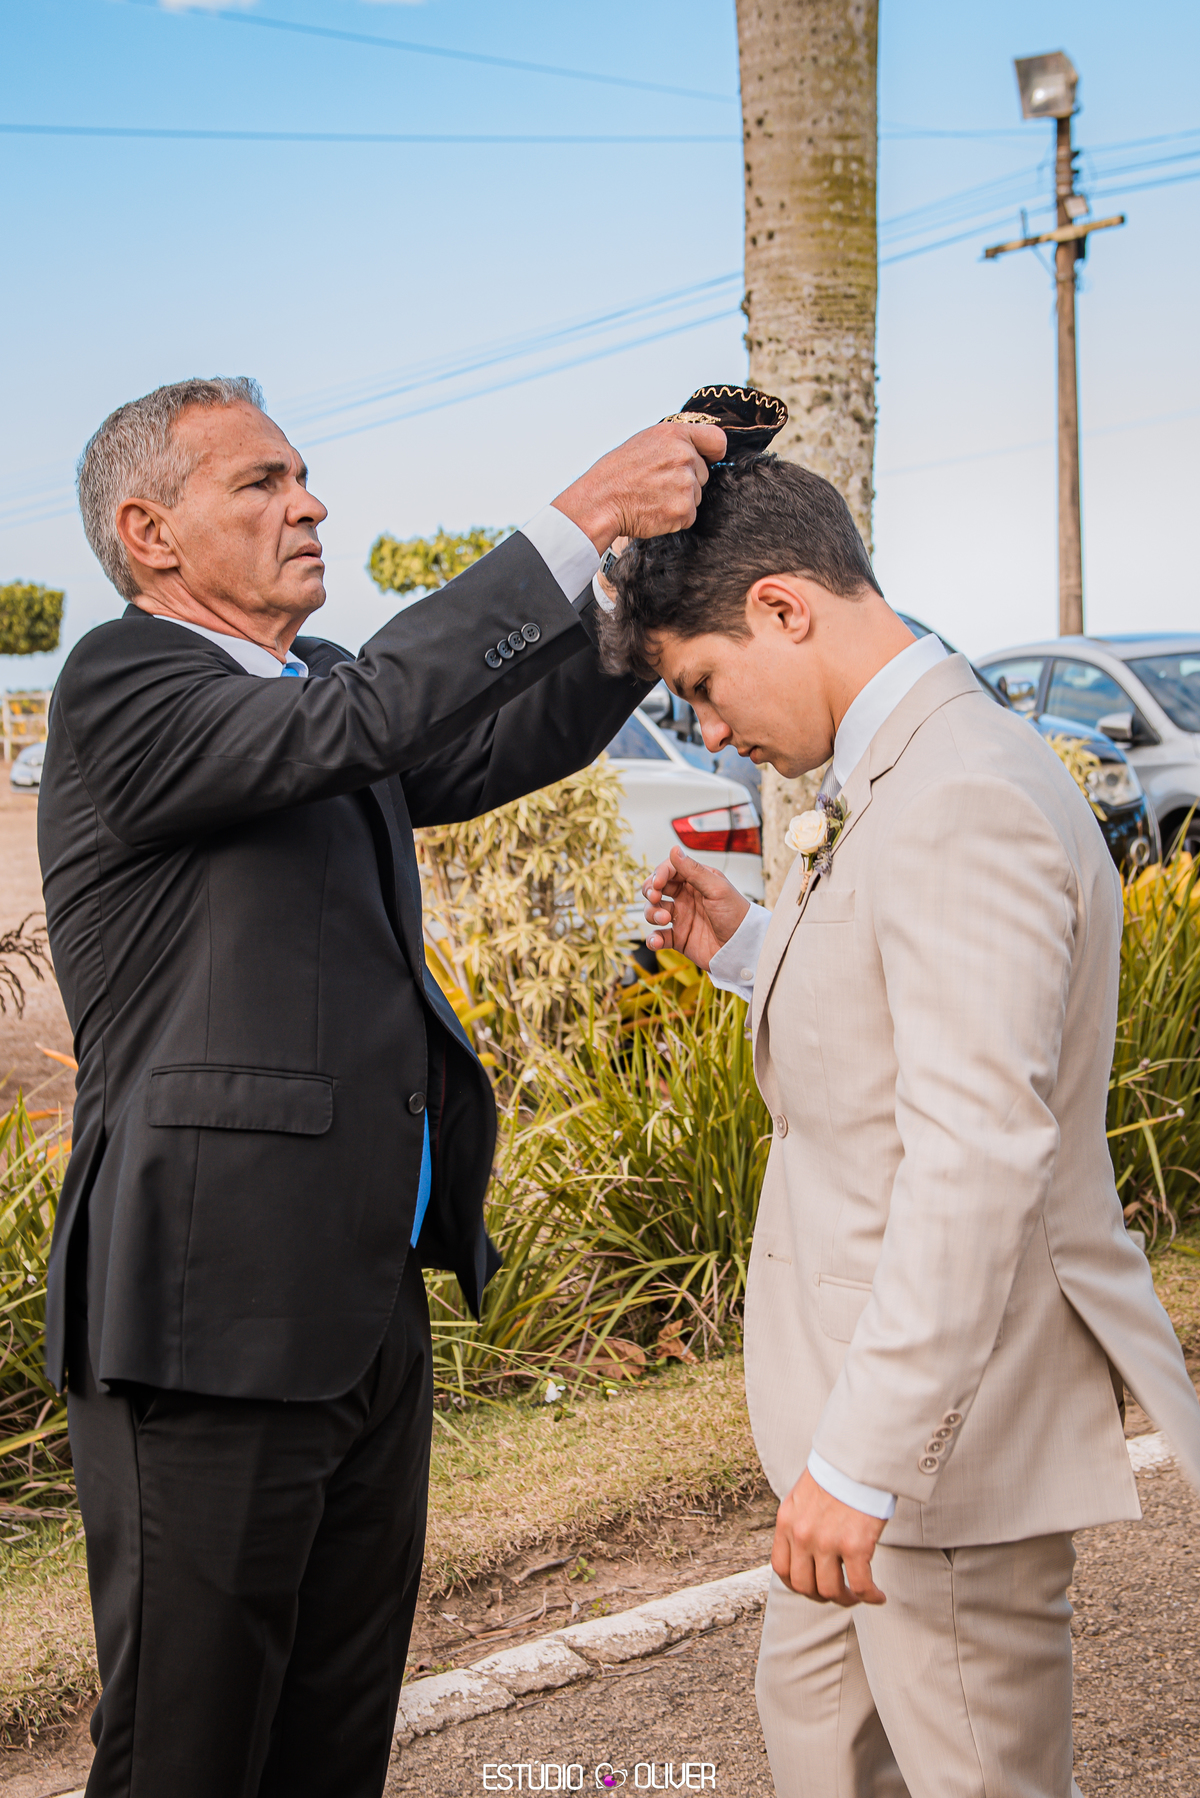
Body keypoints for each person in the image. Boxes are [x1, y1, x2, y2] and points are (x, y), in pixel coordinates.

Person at [39, 374, 726, 1798]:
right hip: (205, 1317)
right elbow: (381, 710)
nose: (312, 503)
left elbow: (484, 739)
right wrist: (582, 510)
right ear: (148, 532)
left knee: (333, 1741)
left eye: (304, 477)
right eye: (264, 482)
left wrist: (639, 599)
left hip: (361, 1314)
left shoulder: (319, 690)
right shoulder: (126, 682)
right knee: (186, 1749)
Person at [610, 453, 1200, 1798]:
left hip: (938, 1447)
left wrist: (865, 1462)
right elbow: (904, 1026)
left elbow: (977, 1149)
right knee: (818, 1737)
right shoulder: (914, 767)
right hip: (858, 1422)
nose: (702, 732)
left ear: (781, 608)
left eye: (697, 684)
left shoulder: (958, 794)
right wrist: (751, 942)